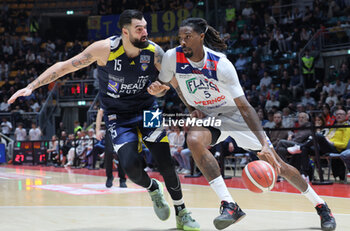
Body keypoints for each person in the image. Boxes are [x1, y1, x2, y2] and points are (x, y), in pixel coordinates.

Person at [7, 10, 199, 231]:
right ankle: (153, 188)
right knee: (131, 169)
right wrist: (31, 86)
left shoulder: (154, 52)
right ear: (125, 32)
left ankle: (182, 212)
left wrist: (170, 96)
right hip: (118, 116)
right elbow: (65, 66)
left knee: (165, 162)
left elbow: (172, 83)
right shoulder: (104, 49)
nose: (145, 32)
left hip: (148, 110)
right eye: (139, 28)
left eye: (145, 27)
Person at [147, 17, 336, 231]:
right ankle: (229, 204)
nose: (182, 41)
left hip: (235, 115)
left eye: (187, 37)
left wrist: (263, 142)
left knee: (278, 166)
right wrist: (171, 97)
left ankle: (321, 206)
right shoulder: (173, 57)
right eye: (180, 38)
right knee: (193, 139)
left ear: (201, 37)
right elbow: (175, 86)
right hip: (211, 117)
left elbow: (245, 107)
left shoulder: (221, 64)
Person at [95, 107, 127, 188]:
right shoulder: (106, 97)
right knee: (109, 153)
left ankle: (122, 179)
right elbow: (100, 113)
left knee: (122, 154)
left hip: (122, 129)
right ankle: (109, 177)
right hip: (110, 129)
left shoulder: (122, 98)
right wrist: (97, 130)